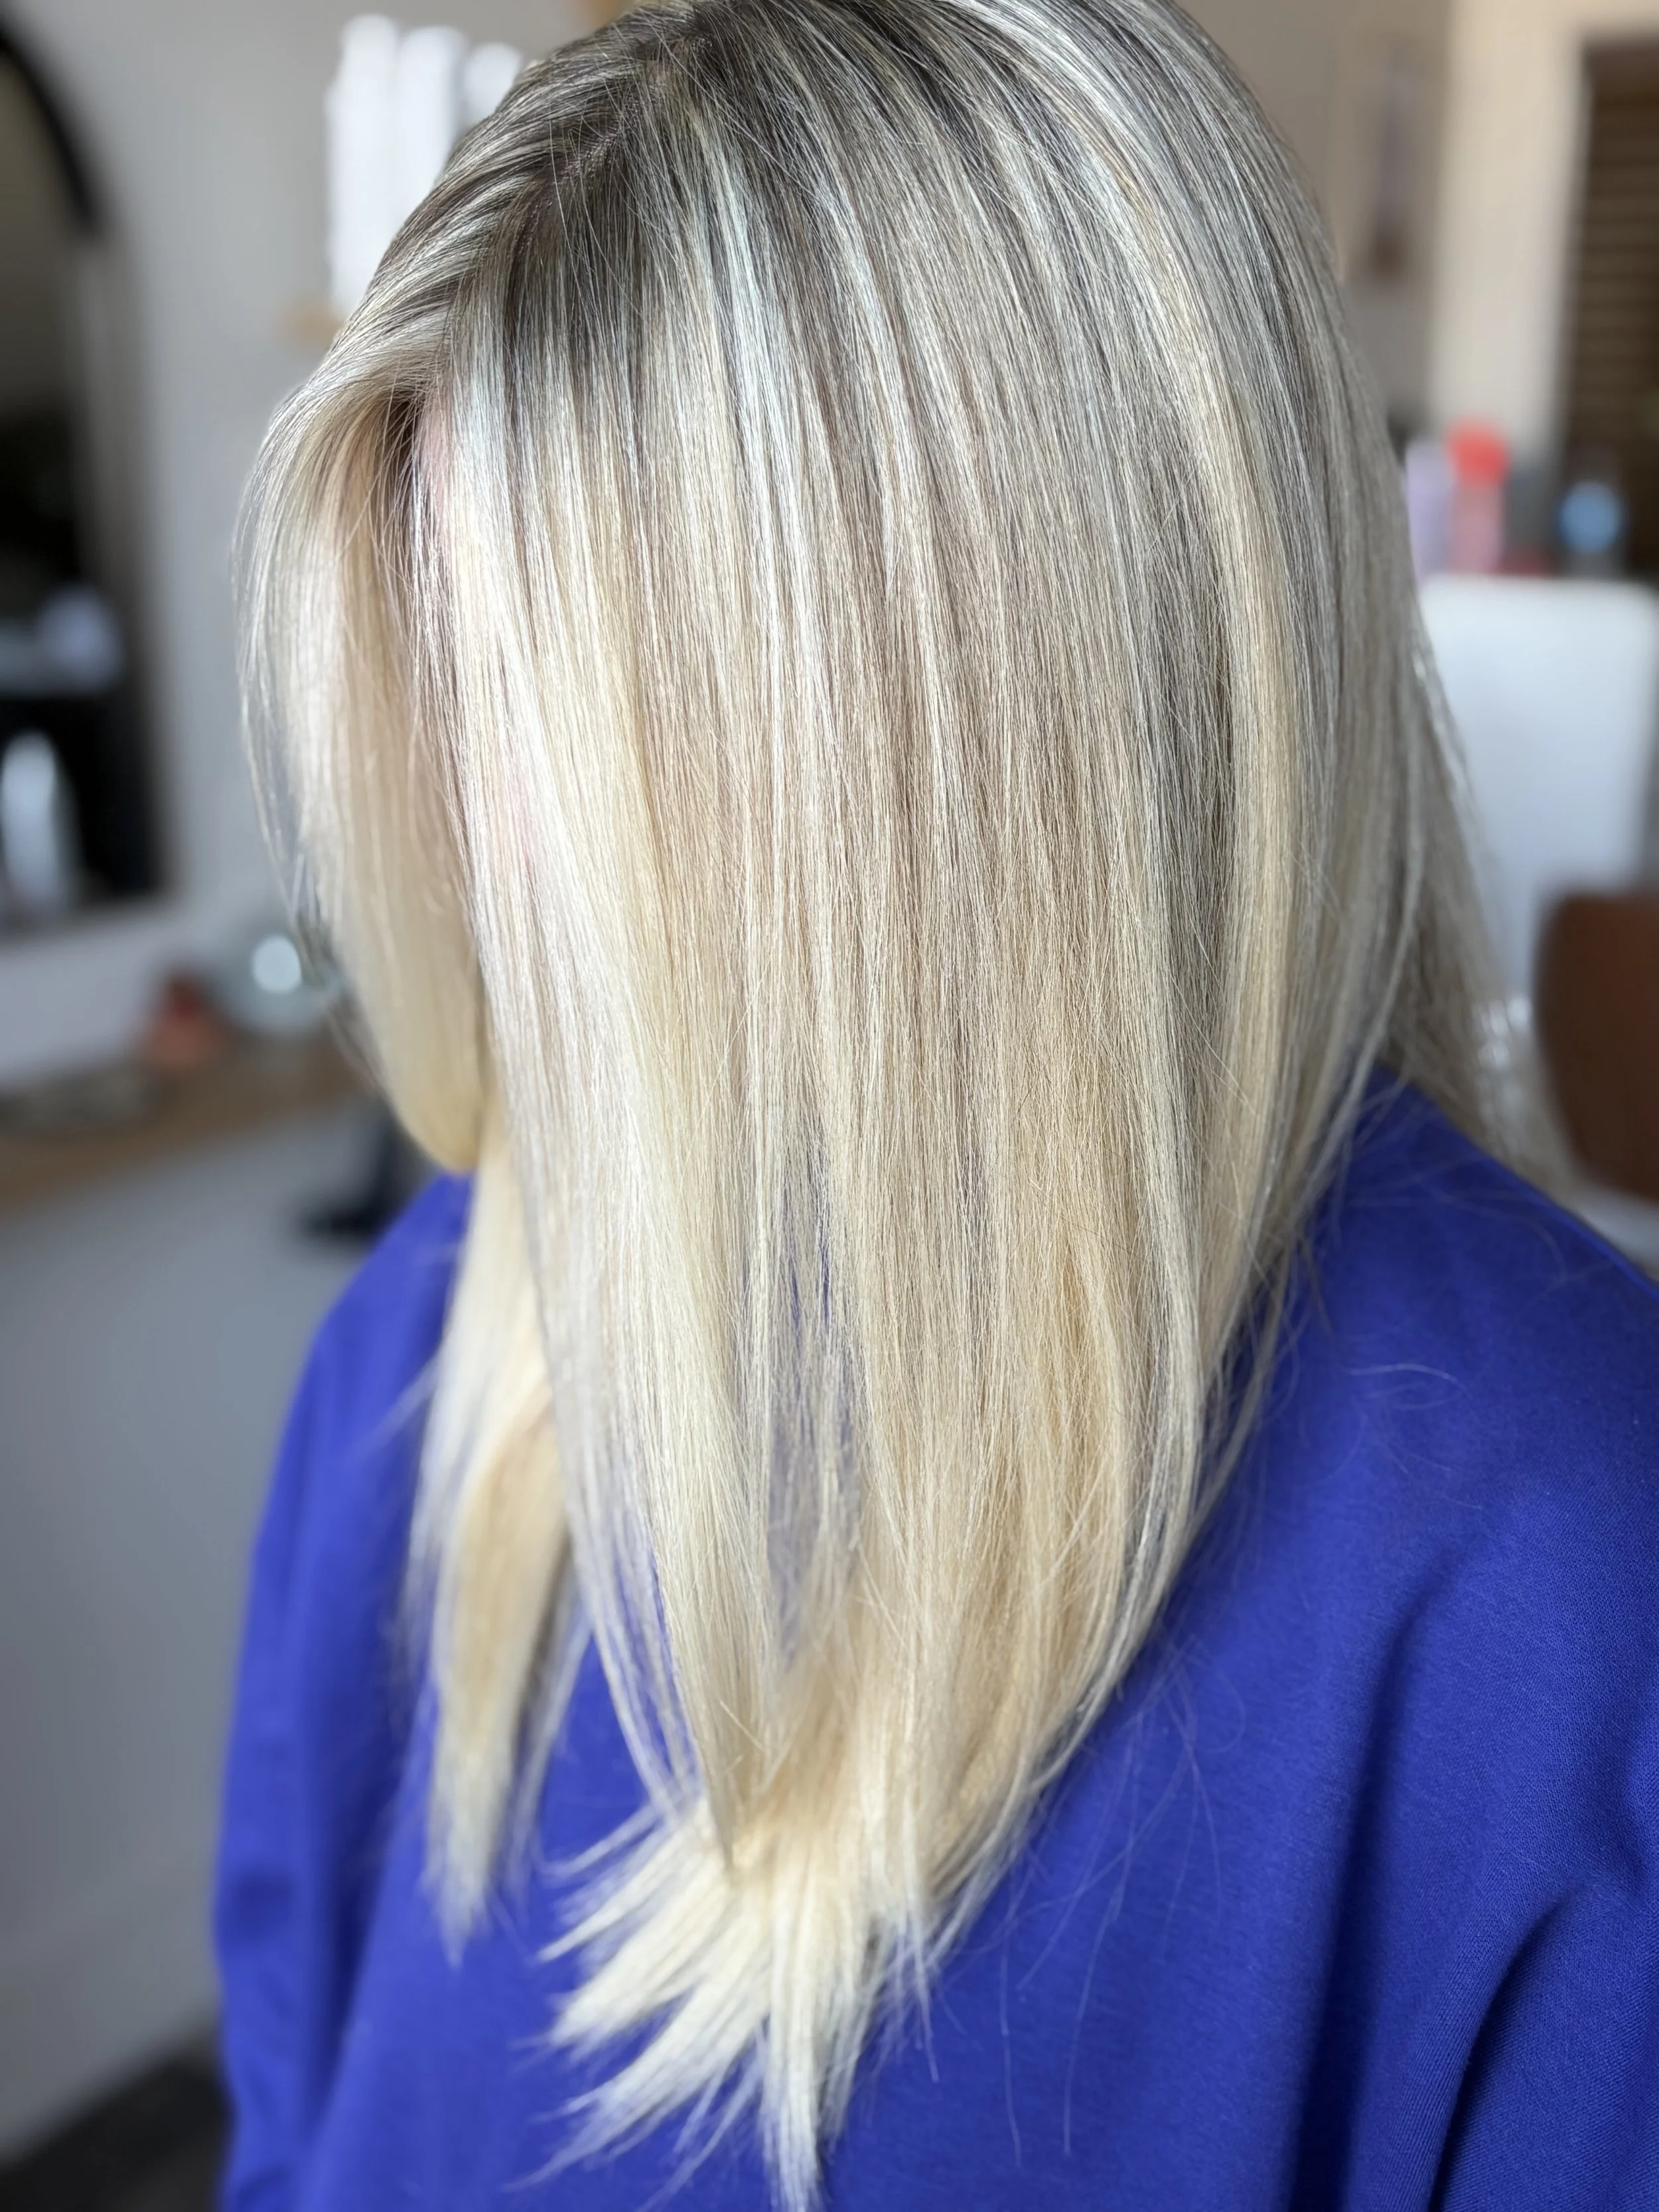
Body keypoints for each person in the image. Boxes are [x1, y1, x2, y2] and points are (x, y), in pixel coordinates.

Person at [216, 1, 1659, 2205]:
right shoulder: (429, 1371)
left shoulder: (1559, 1615)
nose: (501, 876)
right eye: (460, 699)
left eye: (589, 731)